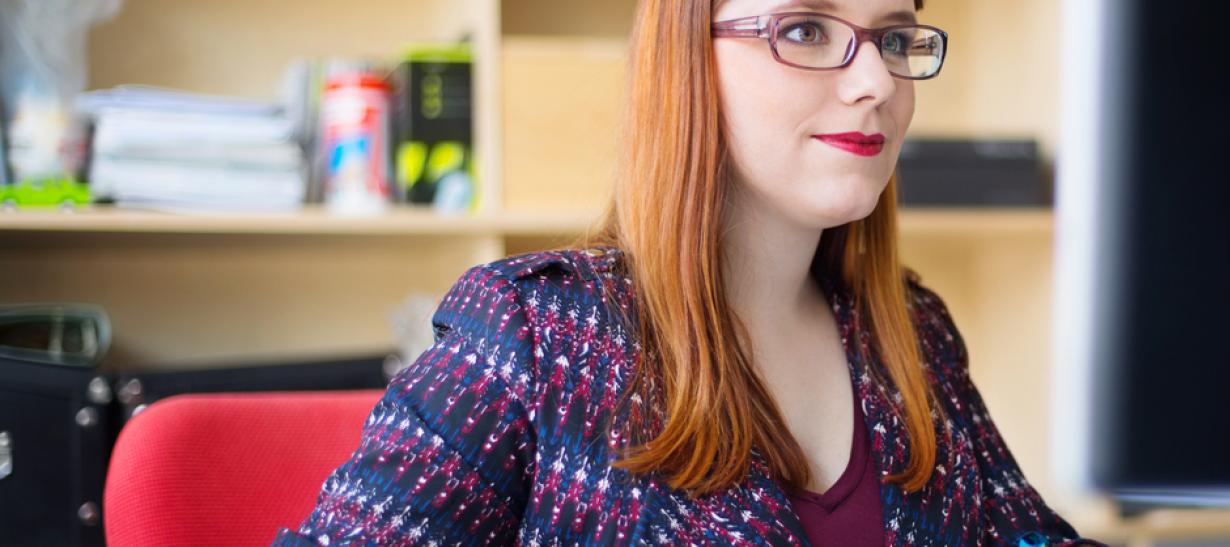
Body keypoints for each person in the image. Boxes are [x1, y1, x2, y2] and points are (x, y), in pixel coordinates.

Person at [275, 0, 1097, 544]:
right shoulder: (534, 334)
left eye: (892, 35)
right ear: (687, 61)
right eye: (806, 29)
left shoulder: (912, 330)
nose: (877, 80)